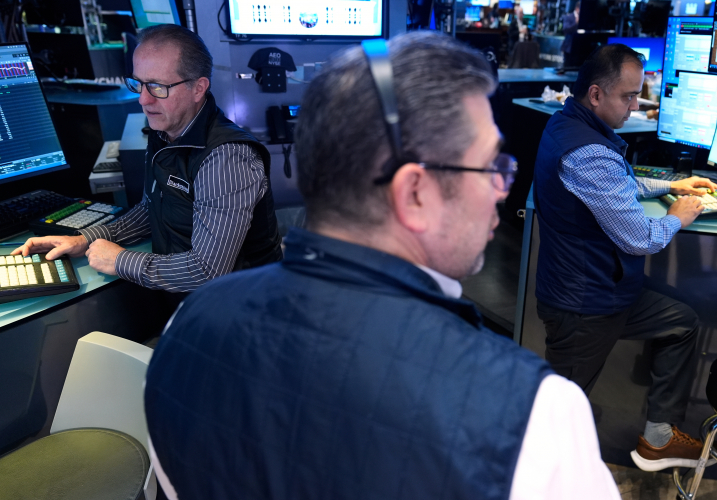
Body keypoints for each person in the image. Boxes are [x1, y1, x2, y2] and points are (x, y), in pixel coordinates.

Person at [143, 32, 620, 500]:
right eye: (490, 167)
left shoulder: (188, 324)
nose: (501, 190)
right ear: (414, 193)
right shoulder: (535, 415)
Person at [533, 43, 717, 472]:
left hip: (604, 288)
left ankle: (658, 439)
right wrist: (677, 216)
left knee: (681, 322)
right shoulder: (587, 152)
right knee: (559, 411)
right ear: (596, 94)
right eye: (629, 96)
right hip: (584, 304)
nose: (636, 106)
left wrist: (671, 186)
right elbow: (641, 238)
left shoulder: (569, 123)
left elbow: (615, 185)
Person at [13, 24, 282, 293]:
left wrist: (119, 261)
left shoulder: (226, 157)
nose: (143, 100)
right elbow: (151, 210)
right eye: (139, 84)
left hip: (242, 304)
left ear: (198, 88)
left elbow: (206, 271)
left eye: (157, 87)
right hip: (188, 298)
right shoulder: (164, 132)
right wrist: (84, 239)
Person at [561, 1, 580, 67]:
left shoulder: (583, 18)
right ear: (577, 8)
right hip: (568, 47)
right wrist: (575, 23)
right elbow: (565, 29)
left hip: (578, 48)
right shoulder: (568, 17)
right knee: (567, 65)